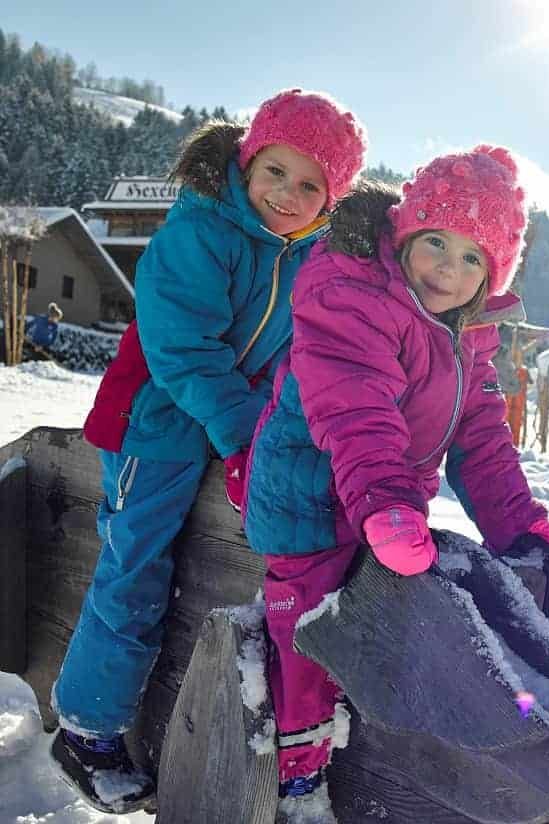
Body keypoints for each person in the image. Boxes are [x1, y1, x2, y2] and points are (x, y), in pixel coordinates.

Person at [49, 89, 366, 814]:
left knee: (238, 553)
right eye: (275, 171)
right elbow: (183, 348)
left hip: (228, 427)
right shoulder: (201, 231)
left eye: (311, 184)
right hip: (153, 424)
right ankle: (87, 729)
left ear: (330, 198)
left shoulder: (309, 257)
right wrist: (248, 433)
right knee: (136, 559)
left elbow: (297, 354)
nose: (287, 194)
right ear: (248, 162)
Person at [242, 145, 549, 816]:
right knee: (311, 623)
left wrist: (517, 523)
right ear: (404, 234)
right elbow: (358, 409)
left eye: (474, 257)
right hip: (310, 491)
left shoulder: (464, 335)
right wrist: (387, 504)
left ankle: (389, 743)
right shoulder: (352, 294)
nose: (450, 268)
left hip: (382, 506)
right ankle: (298, 774)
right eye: (437, 242)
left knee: (403, 613)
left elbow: (482, 440)